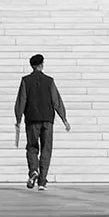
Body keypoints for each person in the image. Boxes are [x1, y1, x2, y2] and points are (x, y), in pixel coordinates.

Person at [12, 54, 68, 190]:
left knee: (32, 147)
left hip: (32, 119)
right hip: (48, 119)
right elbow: (56, 100)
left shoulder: (26, 80)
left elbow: (21, 100)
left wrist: (18, 118)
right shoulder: (49, 81)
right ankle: (42, 181)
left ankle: (33, 170)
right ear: (42, 64)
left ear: (32, 66)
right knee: (46, 149)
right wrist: (64, 119)